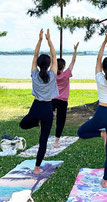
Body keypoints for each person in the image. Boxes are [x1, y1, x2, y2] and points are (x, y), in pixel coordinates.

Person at [77, 31, 107, 188]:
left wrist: (104, 43)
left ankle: (100, 133)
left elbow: (98, 59)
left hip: (101, 114)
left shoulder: (99, 78)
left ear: (103, 68)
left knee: (81, 133)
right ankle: (105, 180)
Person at [19, 29, 59, 175]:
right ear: (48, 65)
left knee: (23, 125)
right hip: (48, 108)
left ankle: (37, 122)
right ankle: (37, 168)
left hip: (36, 107)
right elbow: (54, 56)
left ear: (37, 64)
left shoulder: (34, 74)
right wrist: (49, 40)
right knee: (43, 140)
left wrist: (40, 40)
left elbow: (35, 55)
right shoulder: (52, 74)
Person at [52, 42, 79, 148]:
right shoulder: (66, 74)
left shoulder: (53, 74)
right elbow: (73, 61)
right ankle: (56, 142)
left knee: (49, 117)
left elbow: (52, 61)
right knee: (60, 121)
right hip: (63, 101)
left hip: (53, 99)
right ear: (63, 66)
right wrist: (75, 50)